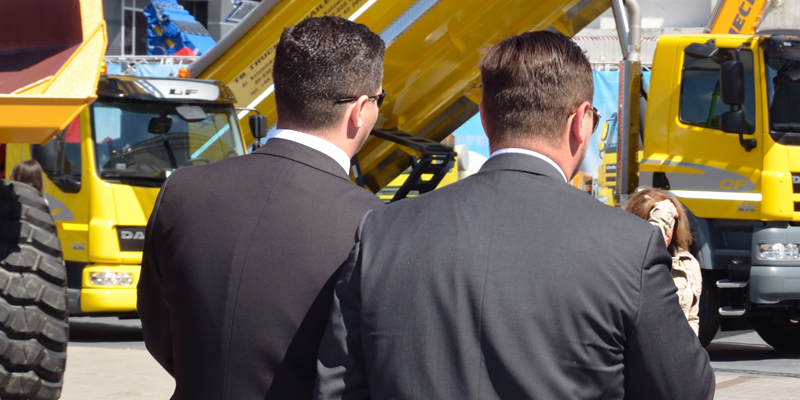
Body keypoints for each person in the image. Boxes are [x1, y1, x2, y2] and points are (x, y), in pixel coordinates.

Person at [315, 31, 714, 399]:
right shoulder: (629, 246)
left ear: (484, 117)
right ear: (581, 121)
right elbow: (685, 390)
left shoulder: (383, 230)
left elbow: (338, 387)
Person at [137, 16, 386, 400]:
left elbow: (159, 330)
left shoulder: (181, 191)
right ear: (360, 109)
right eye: (380, 99)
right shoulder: (374, 223)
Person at [625, 188, 702, 335]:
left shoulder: (687, 262)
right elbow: (649, 243)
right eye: (662, 221)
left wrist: (691, 347)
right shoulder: (628, 261)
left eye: (670, 222)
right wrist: (663, 213)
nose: (665, 232)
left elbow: (692, 318)